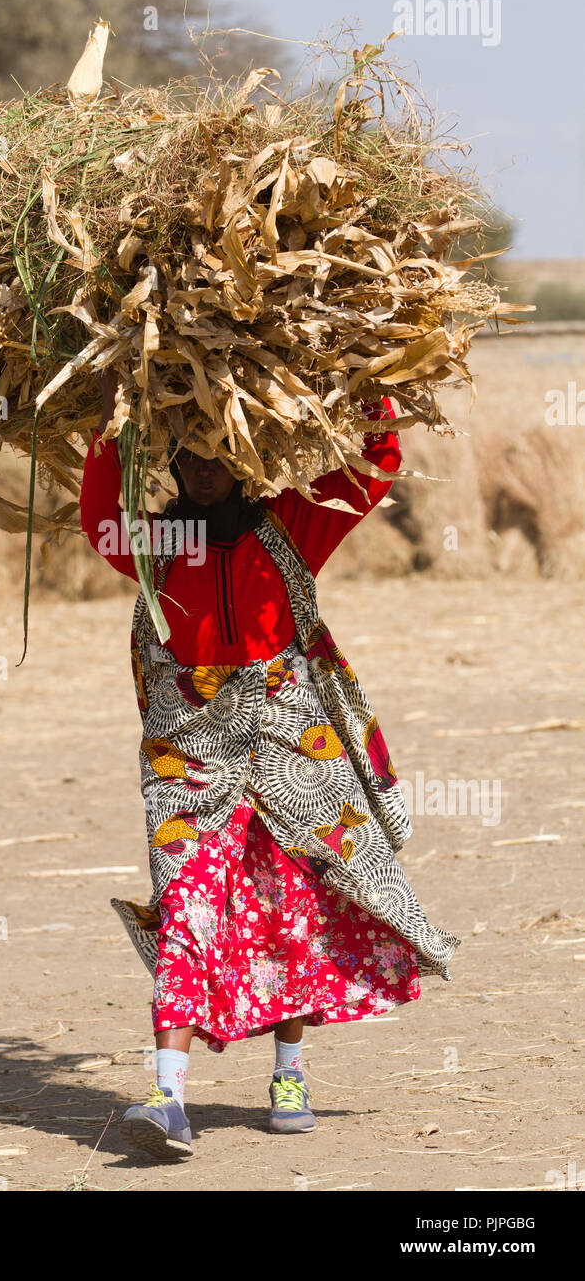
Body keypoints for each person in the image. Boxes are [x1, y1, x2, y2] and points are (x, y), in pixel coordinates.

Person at [80, 367, 460, 1161]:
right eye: (191, 455)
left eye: (221, 450)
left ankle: (289, 1075)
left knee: (293, 909)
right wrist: (112, 415)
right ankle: (169, 1096)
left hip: (294, 744)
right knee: (185, 907)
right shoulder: (160, 542)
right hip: (188, 754)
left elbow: (375, 459)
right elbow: (97, 521)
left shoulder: (291, 526)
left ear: (246, 453)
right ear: (174, 463)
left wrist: (363, 376)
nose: (206, 467)